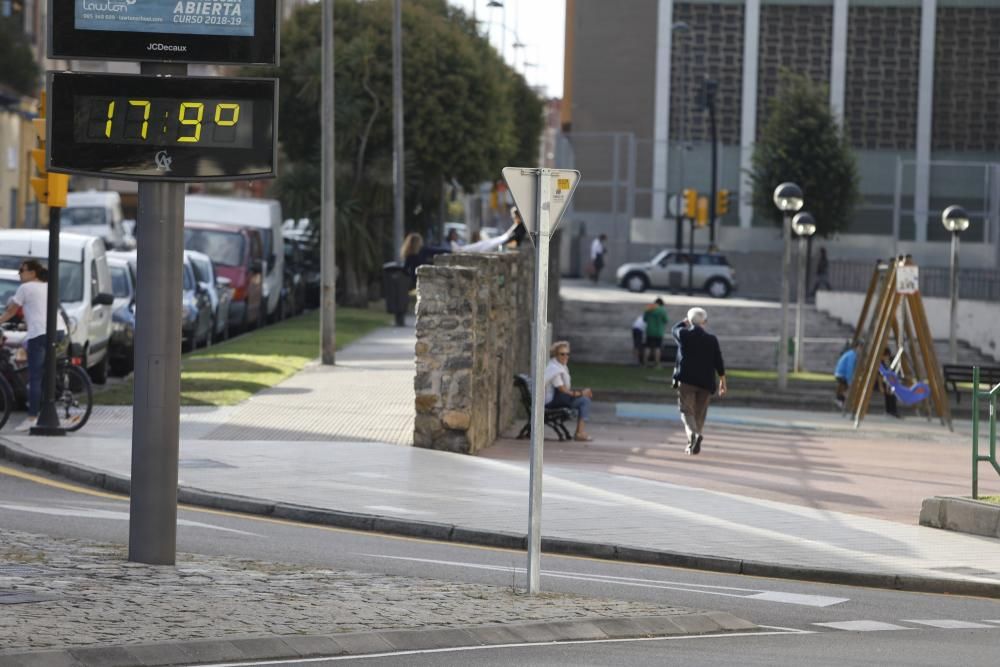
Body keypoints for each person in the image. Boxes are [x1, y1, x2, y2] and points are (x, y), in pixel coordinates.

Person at [0, 259, 67, 432]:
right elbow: (40, 311)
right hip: (58, 331)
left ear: (32, 273)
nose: (19, 273)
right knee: (45, 373)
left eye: (22, 270)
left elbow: (11, 311)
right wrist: (25, 324)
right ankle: (47, 407)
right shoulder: (46, 286)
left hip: (40, 333)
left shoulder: (25, 288)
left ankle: (31, 417)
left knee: (35, 377)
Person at [672, 307, 726, 455]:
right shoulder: (712, 339)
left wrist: (684, 323)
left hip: (687, 380)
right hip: (706, 382)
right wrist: (722, 380)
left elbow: (674, 329)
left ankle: (693, 435)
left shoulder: (683, 334)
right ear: (705, 322)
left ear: (689, 321)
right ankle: (694, 442)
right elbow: (718, 360)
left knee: (686, 410)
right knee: (699, 414)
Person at [543, 341, 594, 442]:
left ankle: (580, 432)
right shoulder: (554, 369)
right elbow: (562, 390)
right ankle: (579, 433)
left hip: (557, 399)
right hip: (550, 402)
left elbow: (564, 391)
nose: (565, 356)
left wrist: (580, 394)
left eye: (567, 354)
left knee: (584, 399)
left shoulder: (559, 366)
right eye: (562, 354)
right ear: (555, 355)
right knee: (584, 401)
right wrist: (581, 393)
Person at [642, 297, 669, 369]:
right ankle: (657, 364)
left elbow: (644, 319)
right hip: (658, 332)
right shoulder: (662, 310)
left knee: (648, 347)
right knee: (657, 348)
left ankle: (645, 363)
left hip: (649, 331)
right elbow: (666, 320)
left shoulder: (649, 309)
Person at [833, 341, 860, 410]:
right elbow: (849, 368)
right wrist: (849, 380)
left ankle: (841, 400)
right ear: (857, 347)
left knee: (844, 388)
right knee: (847, 388)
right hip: (842, 374)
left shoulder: (850, 353)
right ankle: (841, 400)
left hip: (839, 373)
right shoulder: (852, 355)